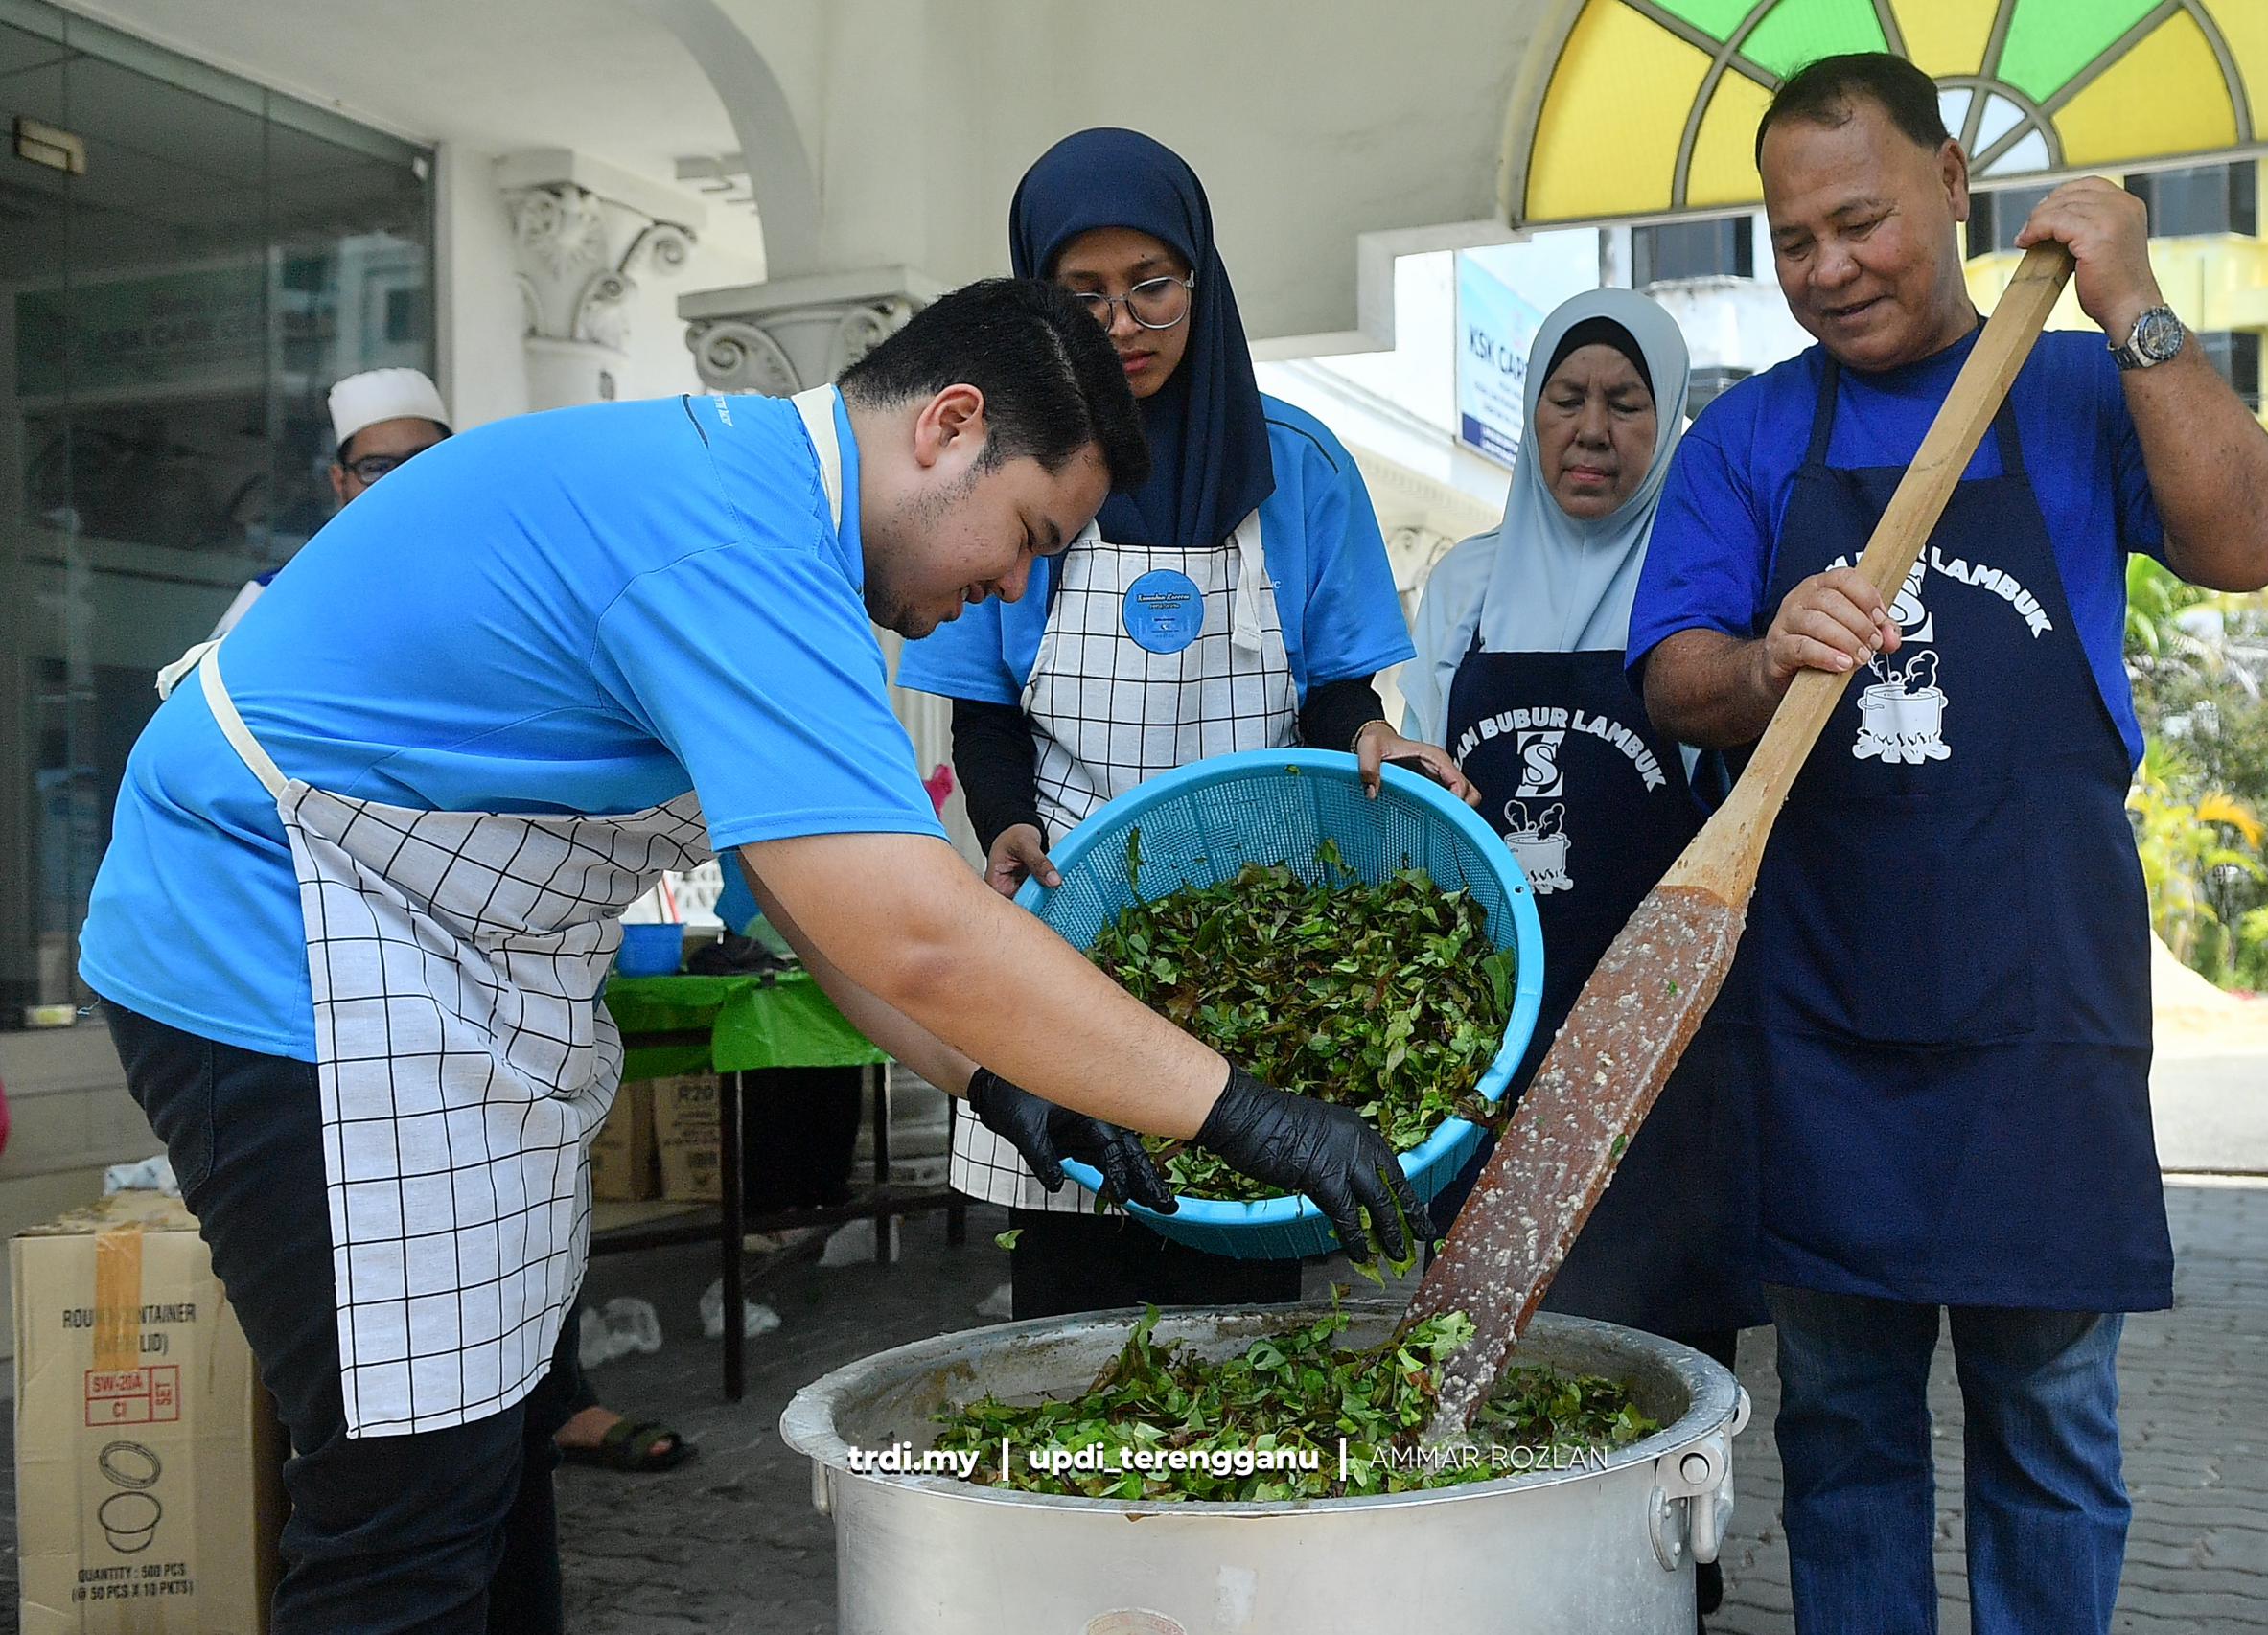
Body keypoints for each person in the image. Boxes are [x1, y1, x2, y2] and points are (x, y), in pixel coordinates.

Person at [81, 277, 1430, 1634]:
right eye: (1026, 535)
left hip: (420, 963)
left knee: (483, 1468)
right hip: (279, 943)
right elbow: (918, 926)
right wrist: (1243, 1109)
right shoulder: (736, 535)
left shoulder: (773, 515)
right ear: (948, 426)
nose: (1012, 585)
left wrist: (999, 1085)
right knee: (400, 1502)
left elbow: (815, 899)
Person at [1628, 54, 2268, 1635]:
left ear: (1952, 188)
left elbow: (2249, 540)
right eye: (1793, 240)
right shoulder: (1749, 440)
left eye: (1858, 220)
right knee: (1844, 1428)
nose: (1827, 266)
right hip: (1823, 1000)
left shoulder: (2075, 390)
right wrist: (1766, 650)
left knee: (2052, 1423)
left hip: (2035, 996)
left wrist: (2133, 300)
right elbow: (1672, 677)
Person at [899, 128, 1471, 1320]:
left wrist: (1368, 730)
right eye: (1084, 294)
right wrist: (1003, 823)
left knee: (1245, 1278)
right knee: (1074, 1285)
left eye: (1152, 286)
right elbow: (981, 711)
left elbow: (1333, 691)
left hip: (1258, 931)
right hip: (1068, 912)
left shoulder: (1300, 468)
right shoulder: (1012, 471)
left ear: (1201, 280)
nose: (1124, 325)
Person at [212, 366, 694, 1478]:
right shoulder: (278, 606)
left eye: (428, 458)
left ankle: (548, 1401)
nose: (405, 483)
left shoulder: (487, 579)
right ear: (340, 479)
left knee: (533, 1175)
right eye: (382, 465)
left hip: (498, 950)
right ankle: (384, 1446)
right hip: (348, 964)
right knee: (401, 1243)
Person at [1402, 288, 1764, 1623]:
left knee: (1665, 1348)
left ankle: (1672, 1594)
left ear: (1667, 422)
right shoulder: (1464, 585)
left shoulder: (1703, 591)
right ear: (1531, 414)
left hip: (1661, 1042)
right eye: (1569, 398)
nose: (1594, 431)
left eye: (1627, 403)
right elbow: (1432, 804)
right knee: (1495, 1336)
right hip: (1495, 1041)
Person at [208, 367, 452, 637]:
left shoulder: (500, 572)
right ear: (340, 482)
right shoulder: (277, 598)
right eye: (375, 468)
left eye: (422, 460)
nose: (400, 482)